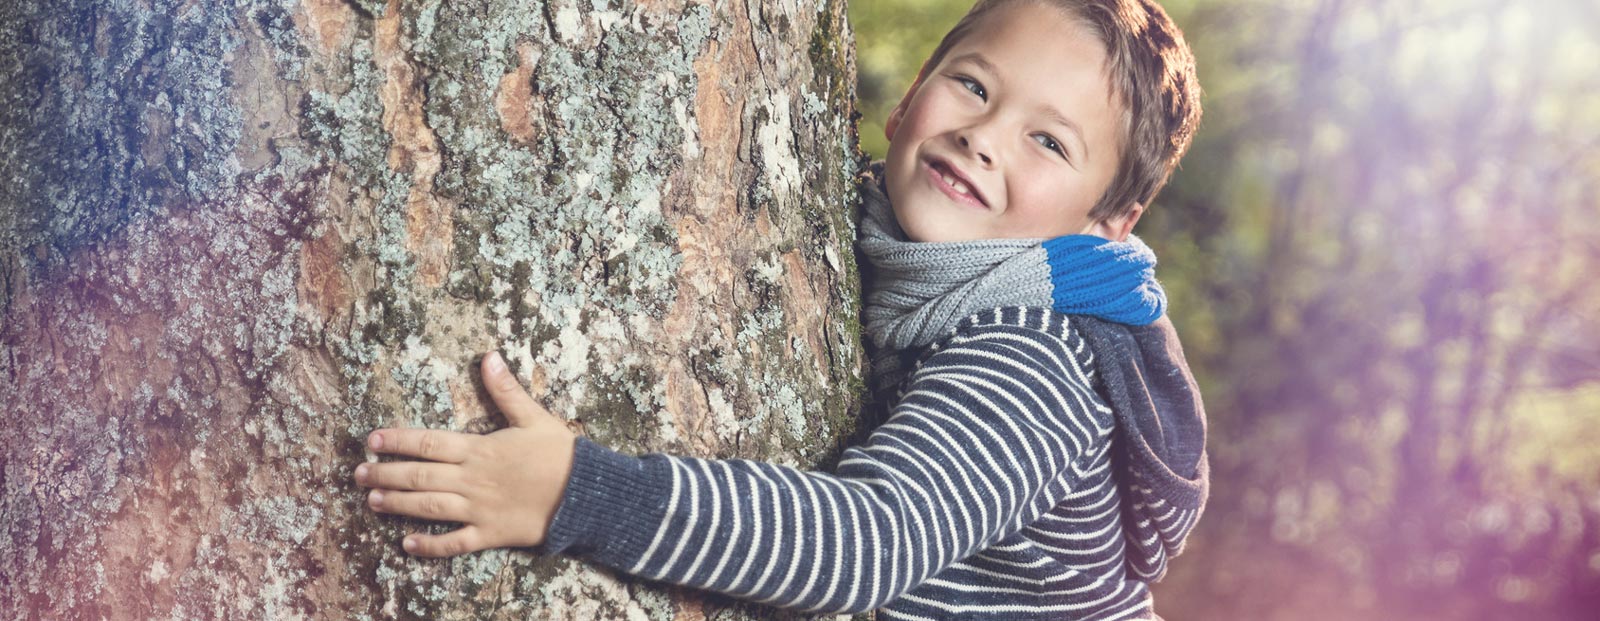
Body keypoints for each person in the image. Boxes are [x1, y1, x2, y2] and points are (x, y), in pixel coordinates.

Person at [352, 0, 1209, 618]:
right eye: (974, 87)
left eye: (1049, 141)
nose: (983, 136)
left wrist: (576, 492)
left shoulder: (1038, 362)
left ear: (1105, 225)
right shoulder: (906, 241)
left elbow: (865, 543)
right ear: (910, 95)